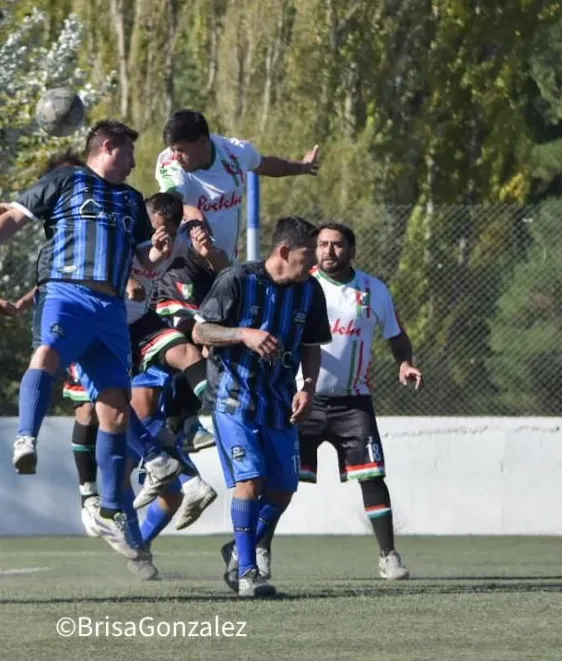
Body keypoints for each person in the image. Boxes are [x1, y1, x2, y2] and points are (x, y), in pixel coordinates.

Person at [0, 120, 171, 560]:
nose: (133, 163)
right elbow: (15, 216)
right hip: (66, 291)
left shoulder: (132, 200)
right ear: (108, 148)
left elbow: (142, 256)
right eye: (129, 153)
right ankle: (25, 439)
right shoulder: (65, 180)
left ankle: (111, 509)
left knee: (114, 408)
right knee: (47, 353)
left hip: (111, 310)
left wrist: (159, 251)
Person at [153, 109, 322, 450]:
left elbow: (264, 164)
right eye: (173, 149)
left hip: (220, 267)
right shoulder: (171, 164)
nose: (177, 156)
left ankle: (179, 423)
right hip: (182, 263)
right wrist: (195, 217)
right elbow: (174, 202)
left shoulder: (233, 152)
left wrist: (300, 168)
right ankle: (186, 418)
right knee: (189, 330)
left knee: (212, 342)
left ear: (204, 142)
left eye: (183, 149)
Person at [192, 216, 331, 598]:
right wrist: (243, 333)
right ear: (284, 252)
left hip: (281, 402)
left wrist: (309, 387)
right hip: (233, 400)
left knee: (285, 488)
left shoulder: (310, 290)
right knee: (251, 482)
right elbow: (200, 330)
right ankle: (248, 573)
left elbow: (311, 345)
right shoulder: (239, 280)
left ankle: (238, 548)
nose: (314, 264)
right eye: (308, 255)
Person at [291, 221, 422, 581]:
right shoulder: (302, 284)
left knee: (374, 477)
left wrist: (405, 362)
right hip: (304, 401)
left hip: (354, 403)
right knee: (279, 482)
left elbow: (396, 335)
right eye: (322, 244)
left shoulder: (372, 289)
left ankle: (388, 555)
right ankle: (256, 552)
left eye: (336, 245)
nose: (328, 251)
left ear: (351, 250)